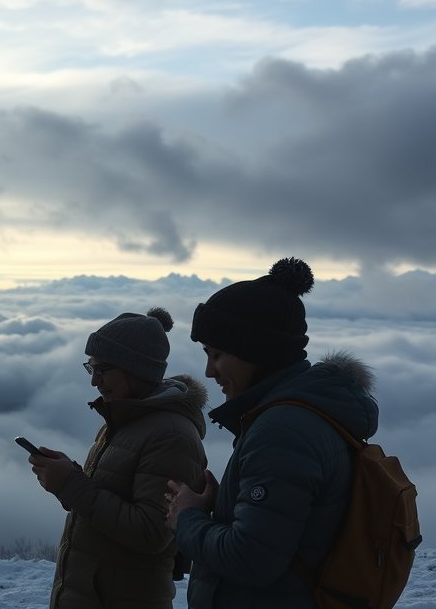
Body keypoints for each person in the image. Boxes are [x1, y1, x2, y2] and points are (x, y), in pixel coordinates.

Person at [166, 257, 378, 608]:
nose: (208, 371)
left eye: (216, 355)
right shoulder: (299, 417)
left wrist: (187, 518)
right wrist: (219, 510)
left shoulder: (283, 432)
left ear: (256, 352)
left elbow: (250, 560)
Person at [29, 307, 208, 609]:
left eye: (103, 370)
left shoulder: (171, 436)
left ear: (136, 370)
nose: (94, 381)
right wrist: (64, 479)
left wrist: (70, 484)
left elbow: (151, 533)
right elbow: (106, 499)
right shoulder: (123, 420)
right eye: (91, 368)